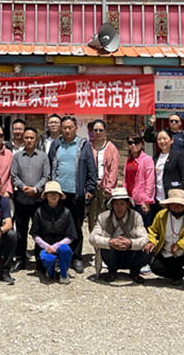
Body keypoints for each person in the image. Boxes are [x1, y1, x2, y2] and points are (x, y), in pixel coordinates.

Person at [48, 115, 97, 274]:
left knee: (76, 226)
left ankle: (76, 257)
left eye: (70, 127)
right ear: (61, 129)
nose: (67, 130)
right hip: (58, 194)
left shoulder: (83, 146)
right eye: (64, 128)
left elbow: (91, 169)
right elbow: (50, 167)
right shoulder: (56, 144)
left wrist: (89, 189)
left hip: (77, 194)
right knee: (57, 225)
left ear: (76, 128)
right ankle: (59, 255)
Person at [143, 189, 184, 295]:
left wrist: (180, 245)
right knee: (156, 267)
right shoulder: (161, 216)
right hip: (167, 253)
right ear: (169, 205)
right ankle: (178, 275)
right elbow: (153, 231)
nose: (176, 207)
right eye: (173, 204)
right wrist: (151, 242)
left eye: (180, 204)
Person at [10, 126, 50, 272]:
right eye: (26, 138)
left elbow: (46, 176)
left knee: (39, 230)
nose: (29, 140)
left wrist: (35, 189)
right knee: (21, 230)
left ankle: (40, 260)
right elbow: (14, 176)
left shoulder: (43, 157)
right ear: (23, 139)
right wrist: (24, 188)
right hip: (21, 199)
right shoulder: (17, 157)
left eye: (31, 138)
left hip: (38, 200)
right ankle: (20, 259)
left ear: (36, 139)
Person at [88, 187, 150, 283]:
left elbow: (144, 238)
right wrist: (110, 242)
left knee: (148, 249)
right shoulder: (103, 217)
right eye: (116, 204)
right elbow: (92, 238)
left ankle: (135, 272)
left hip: (131, 253)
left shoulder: (136, 216)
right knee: (105, 249)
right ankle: (111, 271)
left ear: (128, 204)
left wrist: (130, 243)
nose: (119, 208)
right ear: (112, 205)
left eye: (122, 204)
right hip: (112, 253)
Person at [29, 181, 77, 284]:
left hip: (61, 246)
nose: (53, 196)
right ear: (46, 195)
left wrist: (56, 246)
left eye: (56, 193)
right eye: (50, 193)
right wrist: (47, 247)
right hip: (45, 248)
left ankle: (64, 274)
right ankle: (50, 271)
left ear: (60, 196)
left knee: (65, 249)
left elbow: (70, 236)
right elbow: (35, 234)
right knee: (48, 259)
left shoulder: (66, 212)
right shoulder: (39, 212)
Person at [87, 119, 120, 231]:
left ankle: (106, 239)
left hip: (105, 187)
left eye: (100, 130)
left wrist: (109, 188)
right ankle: (94, 239)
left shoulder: (111, 148)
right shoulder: (89, 147)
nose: (98, 132)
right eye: (95, 130)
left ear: (105, 131)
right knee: (93, 217)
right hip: (92, 186)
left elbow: (114, 169)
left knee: (106, 216)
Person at [151, 129, 184, 222]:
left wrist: (180, 197)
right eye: (159, 139)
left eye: (165, 138)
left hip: (174, 198)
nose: (162, 141)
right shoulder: (155, 157)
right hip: (158, 198)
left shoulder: (179, 155)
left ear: (171, 140)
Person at [124, 134, 155, 227]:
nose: (133, 145)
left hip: (141, 201)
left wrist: (146, 201)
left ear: (142, 144)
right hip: (130, 200)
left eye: (136, 142)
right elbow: (125, 180)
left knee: (143, 228)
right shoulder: (128, 160)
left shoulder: (147, 159)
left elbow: (150, 181)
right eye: (130, 143)